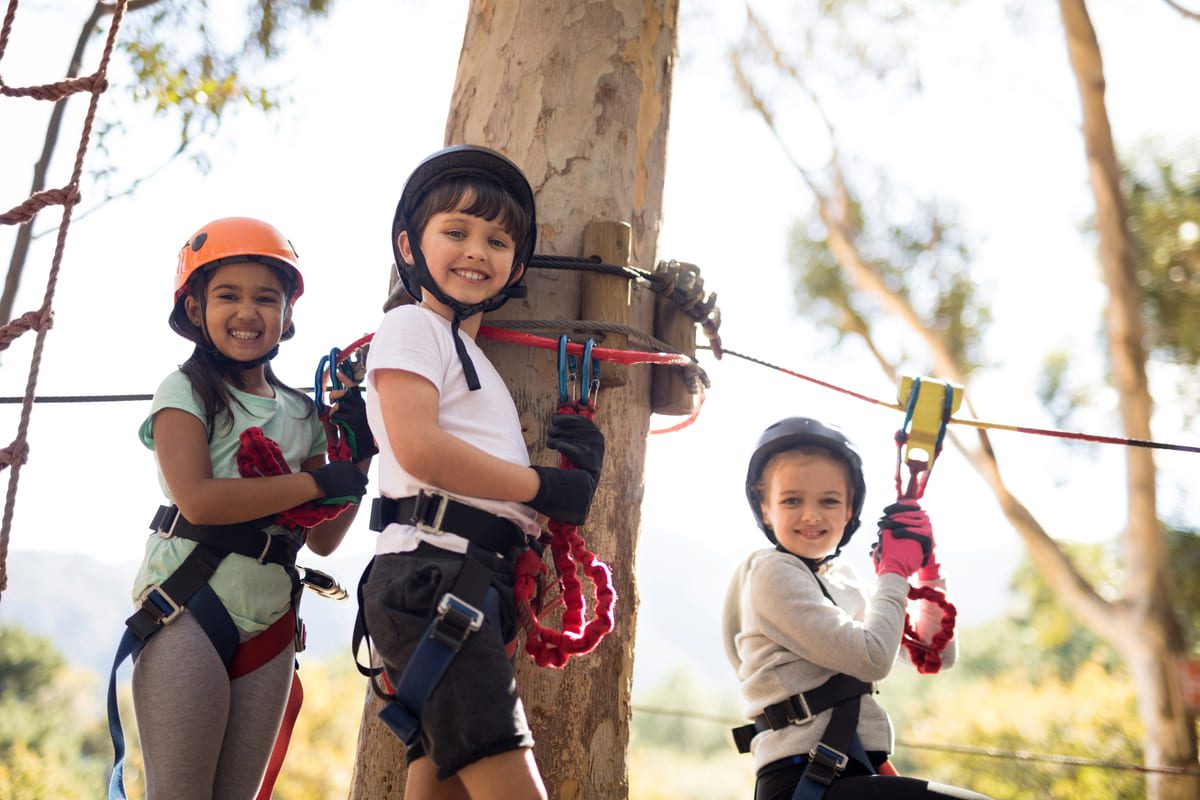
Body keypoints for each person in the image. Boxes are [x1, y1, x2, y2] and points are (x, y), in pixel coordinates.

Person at [358, 144, 604, 800]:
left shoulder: (469, 354)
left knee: (439, 786)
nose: (476, 250)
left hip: (461, 579)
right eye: (457, 232)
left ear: (516, 267)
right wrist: (547, 488)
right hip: (433, 573)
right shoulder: (412, 325)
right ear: (411, 249)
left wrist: (560, 479)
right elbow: (420, 450)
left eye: (497, 241)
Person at [114, 217, 372, 800]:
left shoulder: (303, 414)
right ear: (195, 309)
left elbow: (323, 540)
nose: (247, 312)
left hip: (272, 619)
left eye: (266, 298)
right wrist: (315, 484)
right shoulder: (183, 391)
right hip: (188, 607)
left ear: (286, 313)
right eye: (227, 296)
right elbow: (199, 499)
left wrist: (357, 465)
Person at [723, 417, 992, 800]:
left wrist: (927, 568)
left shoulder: (843, 580)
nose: (812, 514)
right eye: (791, 500)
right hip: (801, 778)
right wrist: (894, 571)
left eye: (829, 501)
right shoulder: (771, 572)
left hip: (849, 771)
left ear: (850, 511)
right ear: (765, 509)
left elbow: (934, 653)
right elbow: (872, 659)